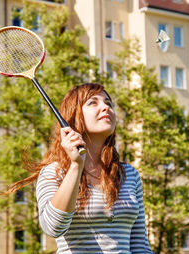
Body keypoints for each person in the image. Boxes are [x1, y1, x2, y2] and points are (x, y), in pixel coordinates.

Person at [10, 83, 153, 253]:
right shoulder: (54, 173)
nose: (105, 107)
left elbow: (140, 245)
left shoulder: (129, 174)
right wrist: (76, 166)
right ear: (74, 117)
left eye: (108, 103)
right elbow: (53, 227)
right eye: (93, 103)